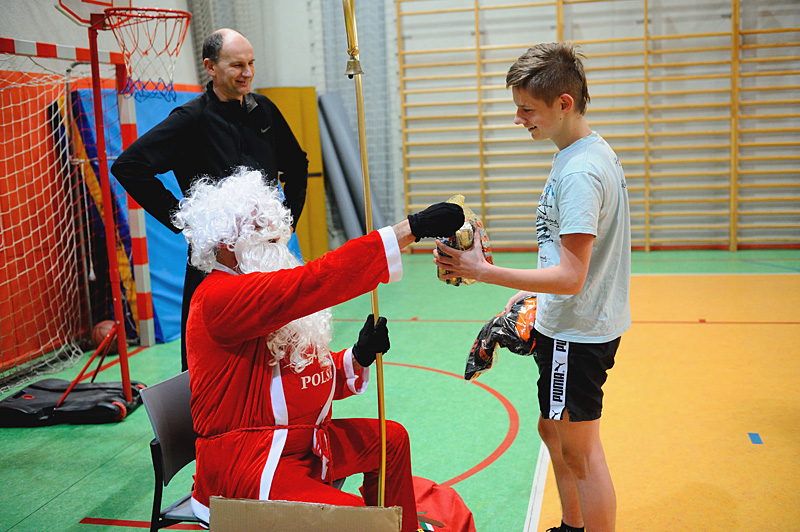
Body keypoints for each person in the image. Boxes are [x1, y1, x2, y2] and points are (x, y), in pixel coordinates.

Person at [172, 168, 464, 532]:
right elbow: (314, 282)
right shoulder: (220, 296)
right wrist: (409, 229)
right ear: (227, 241)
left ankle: (401, 528)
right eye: (260, 227)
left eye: (273, 223)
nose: (276, 233)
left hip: (300, 443)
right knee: (362, 521)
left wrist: (356, 357)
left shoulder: (252, 287)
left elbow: (295, 380)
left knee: (391, 440)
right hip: (249, 462)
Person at [433, 43, 630, 532]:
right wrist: (533, 295)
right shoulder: (581, 152)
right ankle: (572, 525)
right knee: (552, 431)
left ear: (564, 103)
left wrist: (483, 270)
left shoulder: (580, 172)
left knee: (581, 454)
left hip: (576, 334)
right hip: (573, 322)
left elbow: (571, 277)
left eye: (527, 110)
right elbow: (564, 265)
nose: (518, 119)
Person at [111, 28, 309, 371]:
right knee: (206, 354)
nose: (247, 72)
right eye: (237, 65)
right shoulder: (191, 119)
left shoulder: (265, 111)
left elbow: (297, 164)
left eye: (251, 63)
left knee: (275, 348)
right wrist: (184, 219)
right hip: (215, 262)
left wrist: (289, 221)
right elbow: (129, 166)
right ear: (210, 67)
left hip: (266, 258)